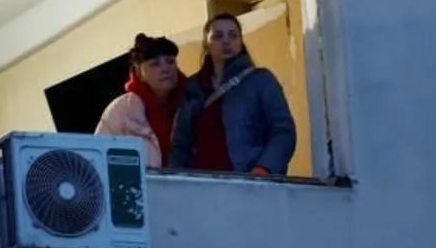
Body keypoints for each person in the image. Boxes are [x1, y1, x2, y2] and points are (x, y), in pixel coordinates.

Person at [169, 12, 297, 176]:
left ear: (240, 42)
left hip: (246, 179)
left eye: (233, 35)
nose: (226, 41)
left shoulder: (260, 81)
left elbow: (283, 131)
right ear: (206, 44)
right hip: (201, 184)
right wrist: (177, 179)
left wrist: (265, 168)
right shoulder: (194, 87)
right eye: (218, 36)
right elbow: (180, 143)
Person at [94, 33, 183, 168]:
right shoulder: (121, 110)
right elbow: (97, 159)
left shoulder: (192, 101)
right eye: (155, 64)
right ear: (140, 72)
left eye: (170, 61)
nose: (166, 69)